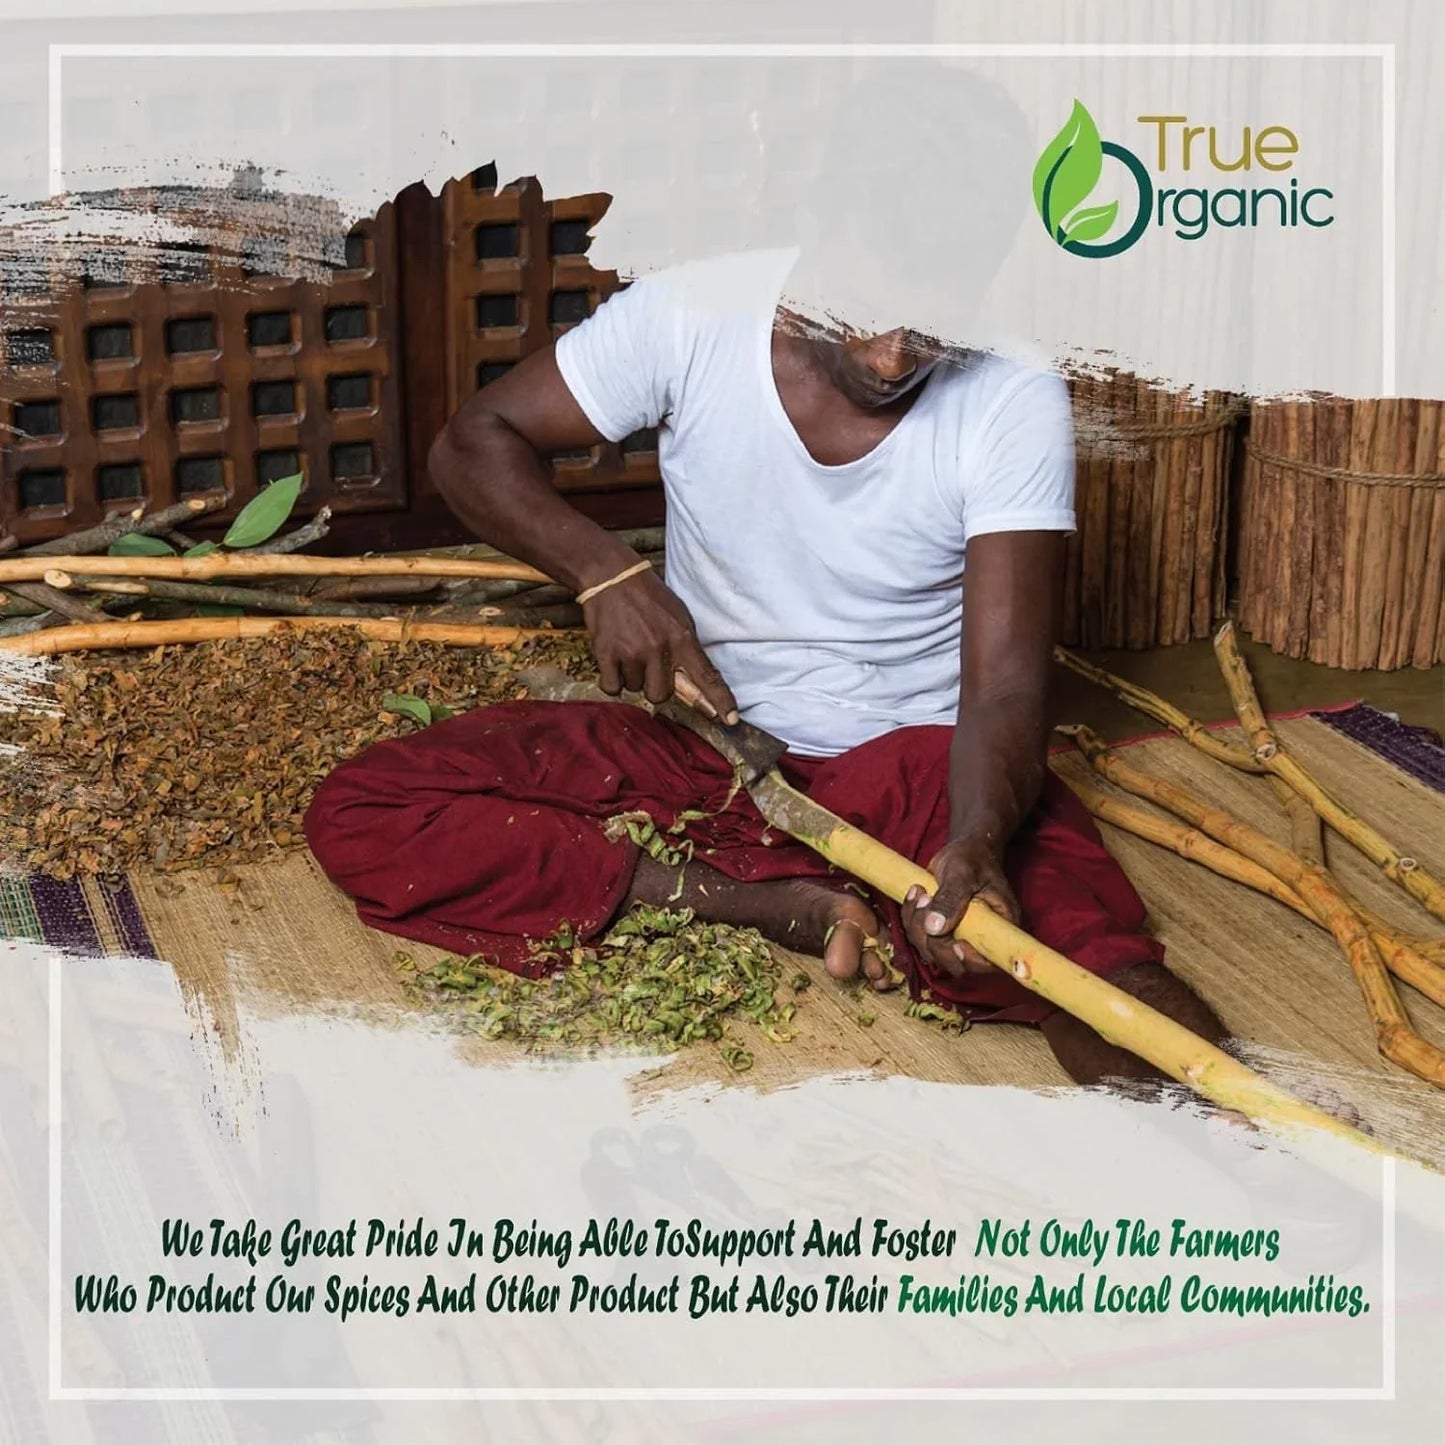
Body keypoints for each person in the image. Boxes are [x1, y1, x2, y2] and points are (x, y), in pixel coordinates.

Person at [304, 241, 1227, 1087]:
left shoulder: (1013, 385)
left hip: (918, 772)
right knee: (368, 808)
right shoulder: (691, 314)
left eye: (934, 324)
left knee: (1070, 954)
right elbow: (471, 442)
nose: (896, 357)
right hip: (707, 749)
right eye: (869, 318)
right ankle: (755, 902)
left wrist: (977, 841)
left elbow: (1006, 686)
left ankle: (1249, 1153)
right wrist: (604, 575)